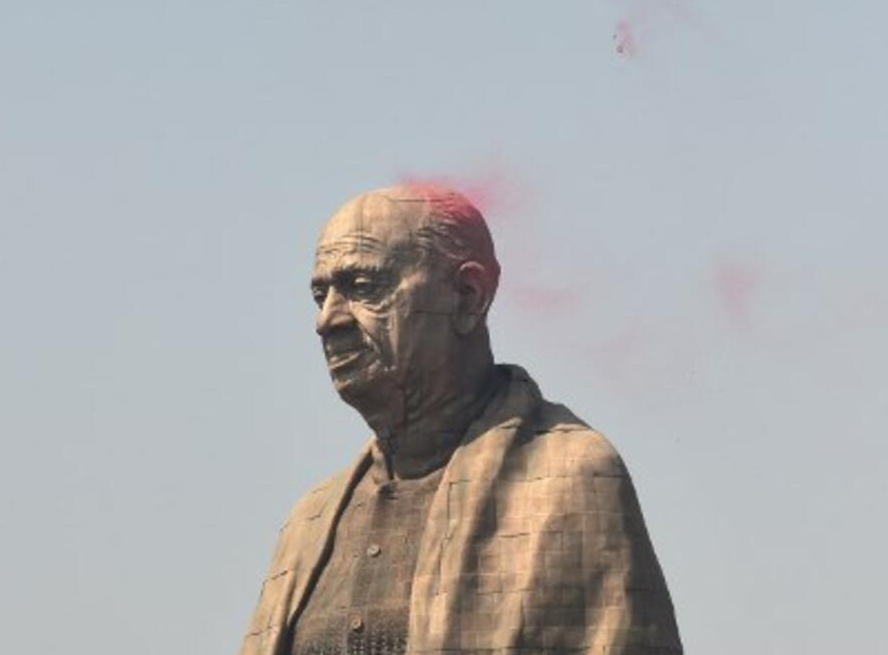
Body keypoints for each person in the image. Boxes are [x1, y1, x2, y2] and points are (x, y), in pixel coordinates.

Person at [239, 186, 683, 655]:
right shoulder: (307, 524)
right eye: (319, 294)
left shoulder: (569, 479)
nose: (327, 320)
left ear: (469, 297)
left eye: (363, 288)